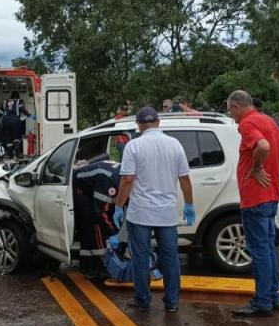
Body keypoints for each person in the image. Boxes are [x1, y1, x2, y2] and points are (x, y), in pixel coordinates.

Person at [226, 90, 279, 317]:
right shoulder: (268, 120)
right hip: (270, 195)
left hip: (255, 197)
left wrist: (257, 168)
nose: (232, 117)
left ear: (237, 107)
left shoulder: (248, 124)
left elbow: (263, 146)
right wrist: (277, 171)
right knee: (267, 248)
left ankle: (262, 301)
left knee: (258, 250)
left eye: (231, 111)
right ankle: (272, 296)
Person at [113, 106, 195, 313]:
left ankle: (143, 300)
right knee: (170, 258)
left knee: (140, 257)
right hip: (166, 214)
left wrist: (119, 206)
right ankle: (172, 302)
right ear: (158, 122)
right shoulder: (174, 144)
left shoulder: (133, 146)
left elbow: (127, 179)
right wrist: (189, 204)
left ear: (139, 125)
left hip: (140, 213)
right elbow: (184, 179)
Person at [73, 155, 122, 280]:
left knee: (89, 229)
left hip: (90, 188)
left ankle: (87, 266)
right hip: (81, 190)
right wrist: (111, 232)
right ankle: (102, 266)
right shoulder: (110, 180)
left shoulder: (123, 173)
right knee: (96, 226)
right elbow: (99, 211)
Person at [0, 91, 34, 157]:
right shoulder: (19, 101)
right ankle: (17, 148)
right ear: (18, 96)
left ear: (11, 96)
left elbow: (0, 112)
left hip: (5, 121)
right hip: (16, 121)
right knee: (17, 136)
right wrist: (29, 115)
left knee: (8, 137)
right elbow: (22, 109)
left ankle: (10, 153)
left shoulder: (5, 101)